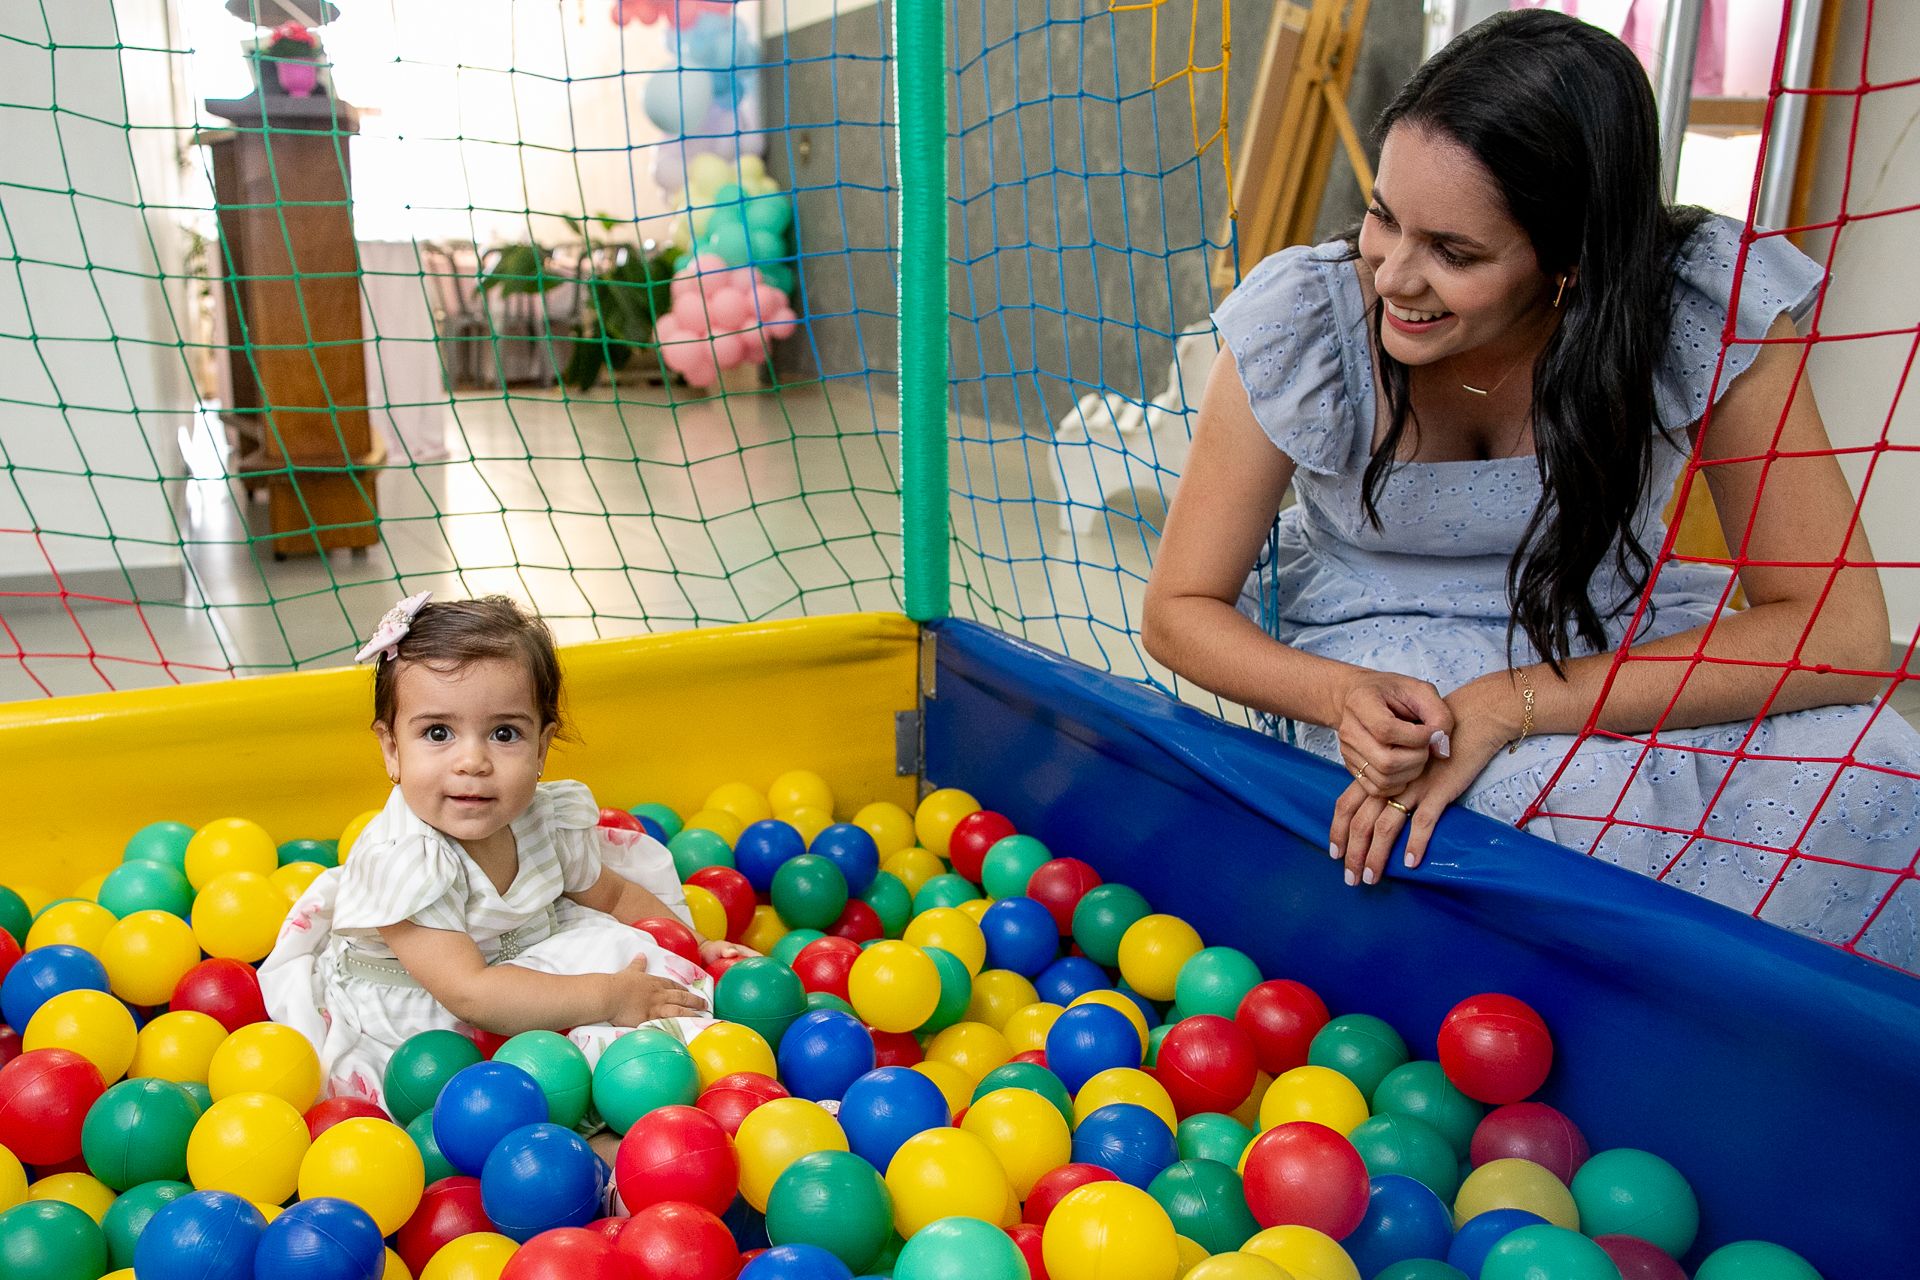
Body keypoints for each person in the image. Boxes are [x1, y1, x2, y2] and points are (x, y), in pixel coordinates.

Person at [1142, 9, 1918, 967]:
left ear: (1570, 266)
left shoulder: (1686, 304)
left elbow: (1838, 636)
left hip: (1605, 637)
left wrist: (1513, 701)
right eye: (1385, 214)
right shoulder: (1308, 314)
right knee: (1543, 806)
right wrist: (1342, 696)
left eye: (1454, 253)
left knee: (1875, 776)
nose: (1393, 276)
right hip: (1377, 645)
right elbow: (1179, 608)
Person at [260, 593, 754, 1107]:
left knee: (637, 973)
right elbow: (471, 994)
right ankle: (609, 1147)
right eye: (437, 732)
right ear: (391, 749)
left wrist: (695, 944)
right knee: (515, 1093)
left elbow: (612, 898)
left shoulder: (545, 818)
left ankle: (684, 1085)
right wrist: (609, 994)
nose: (472, 760)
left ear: (541, 747)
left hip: (530, 967)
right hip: (432, 1016)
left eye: (503, 733)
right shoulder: (406, 861)